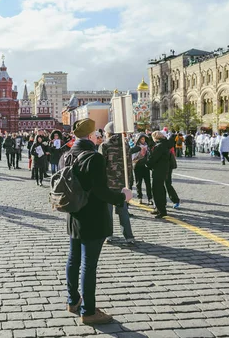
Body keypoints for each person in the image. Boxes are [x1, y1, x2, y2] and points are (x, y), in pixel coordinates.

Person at [62, 118, 132, 325]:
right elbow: (100, 192)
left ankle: (73, 300)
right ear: (92, 136)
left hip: (74, 215)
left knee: (73, 259)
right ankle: (89, 310)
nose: (99, 137)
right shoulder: (93, 158)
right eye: (97, 134)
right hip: (93, 218)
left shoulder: (67, 155)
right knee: (89, 265)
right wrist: (122, 197)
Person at [99, 122, 136, 245]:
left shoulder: (105, 146)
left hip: (108, 183)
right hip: (122, 184)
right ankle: (129, 236)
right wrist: (129, 183)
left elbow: (101, 166)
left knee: (107, 211)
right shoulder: (125, 145)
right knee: (123, 211)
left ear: (108, 133)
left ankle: (108, 235)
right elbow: (129, 166)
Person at [147, 131, 171, 218]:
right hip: (163, 169)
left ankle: (161, 210)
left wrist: (148, 164)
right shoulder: (165, 144)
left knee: (157, 190)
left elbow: (153, 158)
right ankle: (159, 208)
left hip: (158, 170)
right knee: (161, 188)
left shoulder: (159, 146)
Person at [130, 133, 152, 205]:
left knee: (148, 183)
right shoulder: (136, 147)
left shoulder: (147, 146)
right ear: (138, 140)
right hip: (138, 166)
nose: (143, 140)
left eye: (144, 139)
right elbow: (132, 157)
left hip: (145, 166)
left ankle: (150, 198)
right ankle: (140, 197)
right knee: (138, 183)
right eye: (142, 139)